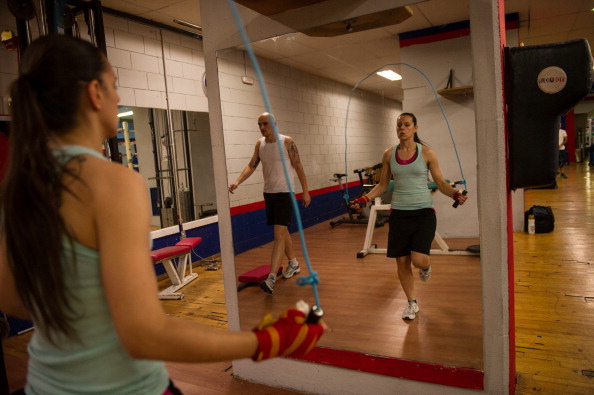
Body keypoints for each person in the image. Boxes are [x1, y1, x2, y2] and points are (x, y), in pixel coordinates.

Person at [0, 35, 323, 394]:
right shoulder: (112, 183)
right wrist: (264, 341)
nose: (119, 97)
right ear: (95, 92)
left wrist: (84, 312)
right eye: (115, 86)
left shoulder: (18, 182)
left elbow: (12, 299)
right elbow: (144, 335)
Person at [349, 112, 468, 320]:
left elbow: (440, 182)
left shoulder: (427, 153)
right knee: (402, 261)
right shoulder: (388, 154)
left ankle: (426, 266)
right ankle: (412, 302)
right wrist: (364, 199)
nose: (401, 129)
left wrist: (455, 194)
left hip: (423, 213)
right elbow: (383, 185)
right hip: (399, 214)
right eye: (398, 126)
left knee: (418, 260)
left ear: (415, 128)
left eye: (406, 125)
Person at [229, 112, 311, 294]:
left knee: (278, 234)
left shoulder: (287, 142)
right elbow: (252, 165)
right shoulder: (260, 144)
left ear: (275, 123)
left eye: (265, 123)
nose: (262, 127)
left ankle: (271, 278)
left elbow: (298, 166)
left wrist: (305, 191)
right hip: (269, 193)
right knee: (282, 230)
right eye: (259, 124)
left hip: (285, 193)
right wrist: (237, 181)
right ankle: (294, 263)